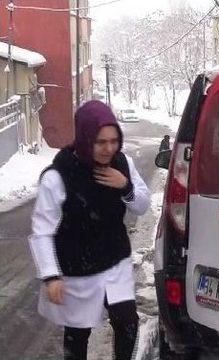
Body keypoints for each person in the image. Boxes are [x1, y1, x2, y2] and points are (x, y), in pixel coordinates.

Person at [28, 100, 150, 360]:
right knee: (78, 334)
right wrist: (51, 276)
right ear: (84, 138)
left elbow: (142, 205)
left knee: (127, 322)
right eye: (100, 142)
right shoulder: (58, 176)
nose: (109, 149)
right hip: (78, 269)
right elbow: (42, 231)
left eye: (114, 140)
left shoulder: (122, 164)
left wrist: (125, 186)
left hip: (114, 261)